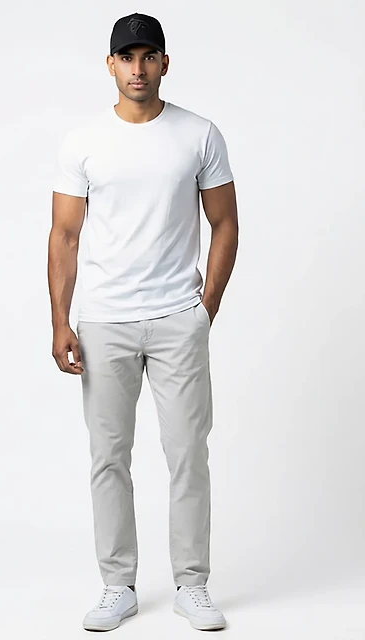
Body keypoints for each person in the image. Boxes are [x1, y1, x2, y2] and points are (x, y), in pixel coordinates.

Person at [48, 11, 238, 632]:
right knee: (109, 456)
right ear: (110, 65)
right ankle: (117, 585)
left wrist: (204, 308)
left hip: (178, 318)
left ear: (164, 62)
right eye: (127, 58)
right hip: (105, 320)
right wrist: (61, 321)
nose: (138, 68)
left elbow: (225, 223)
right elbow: (65, 235)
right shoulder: (83, 142)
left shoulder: (199, 134)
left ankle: (193, 585)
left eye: (148, 56)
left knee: (188, 454)